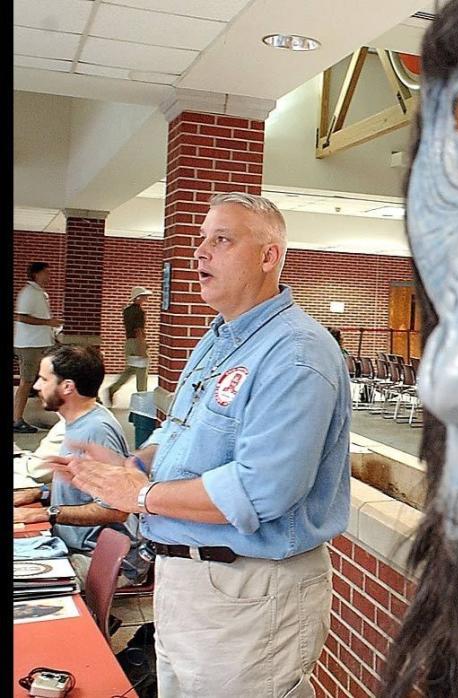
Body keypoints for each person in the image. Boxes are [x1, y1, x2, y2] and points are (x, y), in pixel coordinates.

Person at [57, 192, 352, 697]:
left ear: (268, 256)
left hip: (249, 591)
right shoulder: (218, 339)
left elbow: (263, 490)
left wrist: (141, 496)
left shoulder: (296, 354)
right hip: (188, 579)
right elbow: (183, 436)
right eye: (200, 240)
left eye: (222, 239)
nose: (199, 253)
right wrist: (130, 463)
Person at [13, 345, 145, 587]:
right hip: (74, 546)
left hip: (95, 557)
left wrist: (47, 513)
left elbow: (116, 509)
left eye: (44, 379)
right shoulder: (79, 422)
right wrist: (38, 494)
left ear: (67, 387)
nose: (36, 386)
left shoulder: (95, 430)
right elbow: (87, 488)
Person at [14, 261, 60, 433]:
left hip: (39, 343)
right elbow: (21, 317)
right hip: (29, 345)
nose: (49, 276)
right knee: (26, 382)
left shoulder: (39, 293)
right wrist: (49, 322)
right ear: (36, 274)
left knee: (38, 379)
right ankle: (16, 420)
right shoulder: (29, 293)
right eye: (46, 273)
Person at [105, 286, 153, 405]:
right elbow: (139, 330)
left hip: (129, 343)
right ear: (138, 298)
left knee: (130, 370)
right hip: (137, 342)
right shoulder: (139, 312)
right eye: (144, 296)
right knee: (142, 372)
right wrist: (142, 347)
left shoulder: (127, 311)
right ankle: (142, 399)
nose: (146, 298)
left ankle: (113, 388)